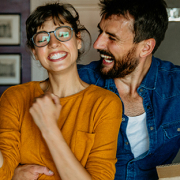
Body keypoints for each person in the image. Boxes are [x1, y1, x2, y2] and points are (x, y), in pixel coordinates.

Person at [12, 0, 180, 179]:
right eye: (101, 32)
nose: (97, 44)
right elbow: (31, 143)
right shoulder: (76, 82)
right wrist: (15, 170)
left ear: (145, 47)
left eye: (112, 37)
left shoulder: (176, 86)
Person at [0, 2, 123, 180]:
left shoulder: (105, 103)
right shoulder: (14, 97)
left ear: (78, 40)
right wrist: (13, 175)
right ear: (35, 52)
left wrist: (49, 128)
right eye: (42, 39)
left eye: (63, 34)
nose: (54, 43)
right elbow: (3, 172)